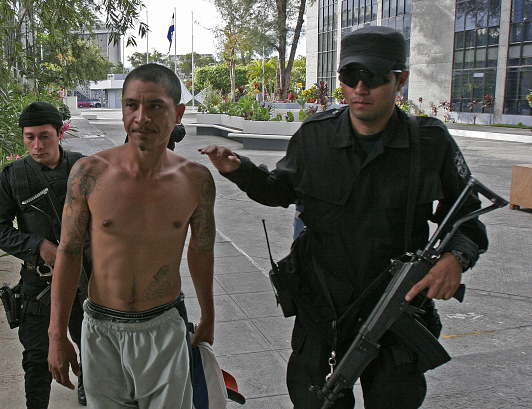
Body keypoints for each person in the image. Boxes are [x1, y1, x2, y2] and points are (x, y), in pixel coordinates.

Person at [200, 26, 488, 409]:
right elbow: (278, 191)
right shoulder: (316, 136)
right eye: (350, 77)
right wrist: (238, 168)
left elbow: (467, 215)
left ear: (400, 79)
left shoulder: (429, 142)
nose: (360, 88)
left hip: (394, 311)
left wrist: (455, 258)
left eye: (373, 77)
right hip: (322, 311)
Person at [48, 63, 216, 409]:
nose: (141, 117)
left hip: (164, 328)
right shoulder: (89, 174)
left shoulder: (196, 181)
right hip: (101, 330)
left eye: (155, 105)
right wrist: (57, 332)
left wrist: (209, 314)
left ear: (178, 112)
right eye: (131, 105)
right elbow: (68, 253)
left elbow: (201, 250)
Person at [0, 101, 89, 408]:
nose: (37, 145)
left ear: (60, 133)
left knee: (93, 347)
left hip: (86, 280)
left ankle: (89, 386)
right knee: (36, 358)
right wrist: (39, 247)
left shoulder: (82, 168)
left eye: (44, 136)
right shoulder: (13, 176)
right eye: (29, 137)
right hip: (39, 283)